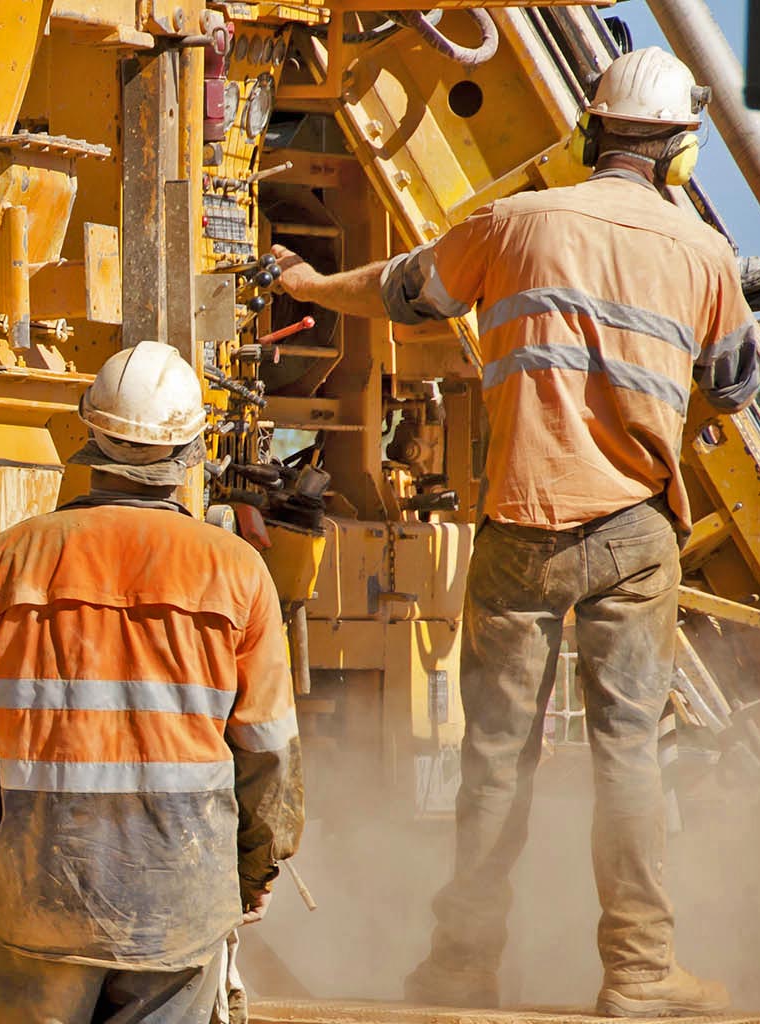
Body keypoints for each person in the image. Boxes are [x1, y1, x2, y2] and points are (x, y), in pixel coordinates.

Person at [270, 47, 759, 1019]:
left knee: (495, 756)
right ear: (679, 152)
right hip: (633, 533)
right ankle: (638, 972)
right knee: (626, 753)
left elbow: (403, 290)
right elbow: (735, 384)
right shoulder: (704, 253)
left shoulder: (512, 224)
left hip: (519, 523)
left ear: (588, 134)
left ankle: (460, 966)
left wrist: (310, 284)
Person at [0, 341, 305, 1024]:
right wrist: (253, 873)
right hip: (177, 908)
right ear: (192, 450)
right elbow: (268, 754)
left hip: (38, 898)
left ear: (91, 437)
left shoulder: (8, 561)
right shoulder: (236, 571)